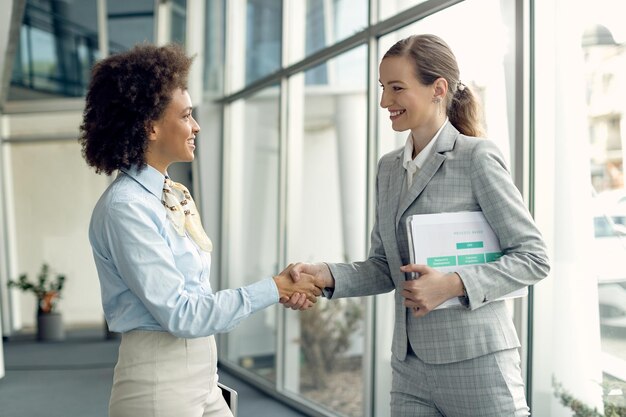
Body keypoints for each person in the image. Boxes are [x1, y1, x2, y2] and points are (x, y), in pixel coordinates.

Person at [284, 34, 550, 416]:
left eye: (396, 88)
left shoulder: (476, 158)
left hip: (477, 364)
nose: (384, 102)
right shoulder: (389, 168)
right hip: (410, 370)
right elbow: (383, 267)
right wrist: (324, 274)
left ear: (438, 89)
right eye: (382, 88)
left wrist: (452, 285)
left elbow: (533, 257)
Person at [79, 43, 322, 417]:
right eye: (187, 115)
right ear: (151, 127)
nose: (196, 126)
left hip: (203, 375)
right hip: (160, 383)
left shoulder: (168, 193)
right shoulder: (127, 208)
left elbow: (195, 295)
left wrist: (278, 289)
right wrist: (274, 288)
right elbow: (182, 315)